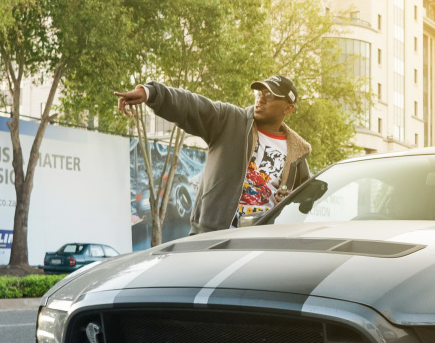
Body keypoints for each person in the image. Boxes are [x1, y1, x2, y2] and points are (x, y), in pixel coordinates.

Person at [115, 76, 311, 234]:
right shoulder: (230, 121)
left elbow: (306, 204)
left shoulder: (296, 154)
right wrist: (151, 93)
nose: (260, 98)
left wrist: (290, 202)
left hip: (261, 245)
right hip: (213, 236)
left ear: (288, 108)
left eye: (270, 95)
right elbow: (192, 104)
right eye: (260, 93)